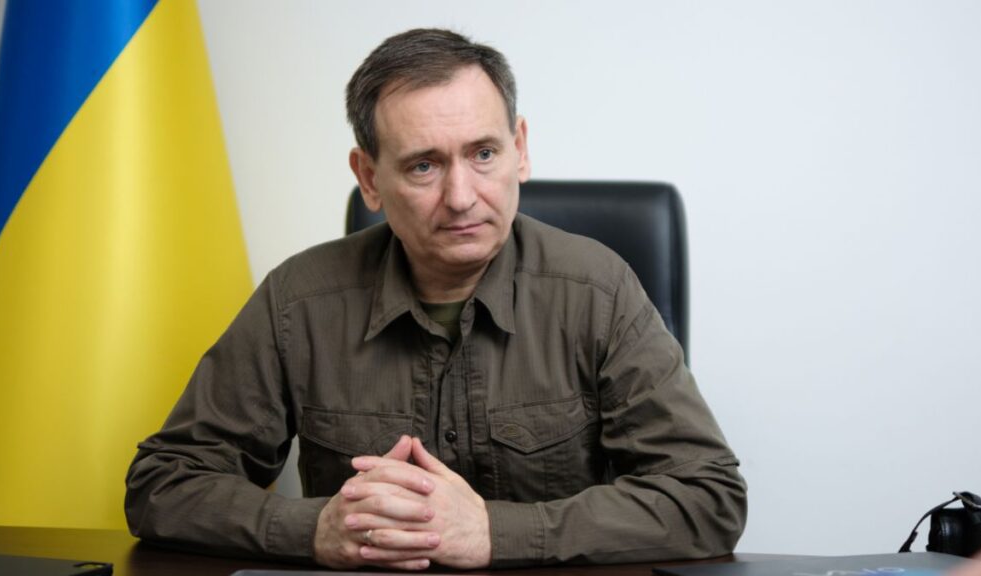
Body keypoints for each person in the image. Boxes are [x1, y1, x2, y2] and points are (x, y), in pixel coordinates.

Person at [125, 28, 747, 570]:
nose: (461, 196)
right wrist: (313, 529)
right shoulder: (299, 300)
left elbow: (709, 496)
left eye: (484, 154)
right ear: (369, 178)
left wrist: (497, 533)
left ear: (520, 148)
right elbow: (162, 485)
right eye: (424, 165)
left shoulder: (598, 291)